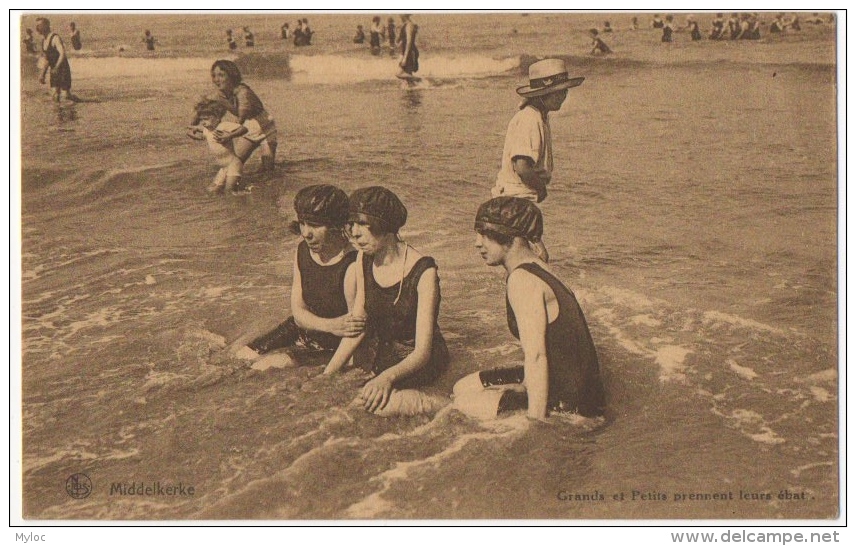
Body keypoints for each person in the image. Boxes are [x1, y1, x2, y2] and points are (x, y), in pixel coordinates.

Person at [452, 197, 606, 420]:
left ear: (511, 237)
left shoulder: (522, 280)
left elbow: (536, 356)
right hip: (577, 387)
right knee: (462, 387)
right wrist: (523, 384)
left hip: (570, 402)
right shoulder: (539, 265)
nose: (478, 243)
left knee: (461, 404)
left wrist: (535, 421)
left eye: (485, 234)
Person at [323, 186, 449, 417]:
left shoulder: (424, 271)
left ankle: (441, 403)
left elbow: (422, 351)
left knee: (370, 409)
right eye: (352, 224)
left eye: (363, 224)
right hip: (388, 354)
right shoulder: (364, 257)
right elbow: (358, 324)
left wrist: (386, 378)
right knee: (340, 404)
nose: (355, 233)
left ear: (386, 225)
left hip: (421, 360)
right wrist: (327, 374)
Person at [233, 185, 364, 366]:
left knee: (268, 365)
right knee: (241, 355)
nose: (306, 233)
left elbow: (354, 335)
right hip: (304, 329)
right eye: (302, 223)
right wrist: (330, 325)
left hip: (335, 346)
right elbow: (298, 313)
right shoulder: (302, 251)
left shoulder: (352, 266)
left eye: (315, 225)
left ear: (336, 226)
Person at [491, 58, 585, 263]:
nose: (564, 96)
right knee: (536, 259)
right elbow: (522, 166)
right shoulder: (530, 119)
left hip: (517, 202)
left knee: (524, 261)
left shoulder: (538, 115)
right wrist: (541, 188)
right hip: (515, 202)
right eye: (560, 91)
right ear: (543, 95)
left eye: (565, 90)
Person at [199, 59, 278, 172]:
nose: (216, 80)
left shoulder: (243, 92)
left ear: (232, 76)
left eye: (221, 75)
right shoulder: (220, 95)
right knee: (234, 164)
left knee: (268, 170)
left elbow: (241, 117)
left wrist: (229, 134)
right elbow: (207, 110)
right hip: (249, 128)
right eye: (214, 76)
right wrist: (197, 126)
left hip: (266, 127)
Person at [186, 99, 247, 194]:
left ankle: (243, 199)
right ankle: (242, 189)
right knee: (211, 191)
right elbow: (196, 129)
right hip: (223, 168)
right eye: (201, 119)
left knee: (229, 191)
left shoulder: (223, 126)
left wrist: (230, 135)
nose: (203, 122)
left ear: (217, 118)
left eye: (206, 119)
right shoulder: (207, 129)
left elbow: (243, 129)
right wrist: (191, 132)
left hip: (233, 165)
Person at [35, 17, 73, 102]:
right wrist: (42, 74)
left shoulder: (55, 37)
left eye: (39, 25)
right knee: (55, 94)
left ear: (46, 25)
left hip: (62, 68)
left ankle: (76, 104)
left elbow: (62, 53)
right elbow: (47, 59)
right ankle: (58, 112)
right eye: (37, 25)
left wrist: (57, 67)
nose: (37, 28)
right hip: (54, 69)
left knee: (65, 96)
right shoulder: (43, 41)